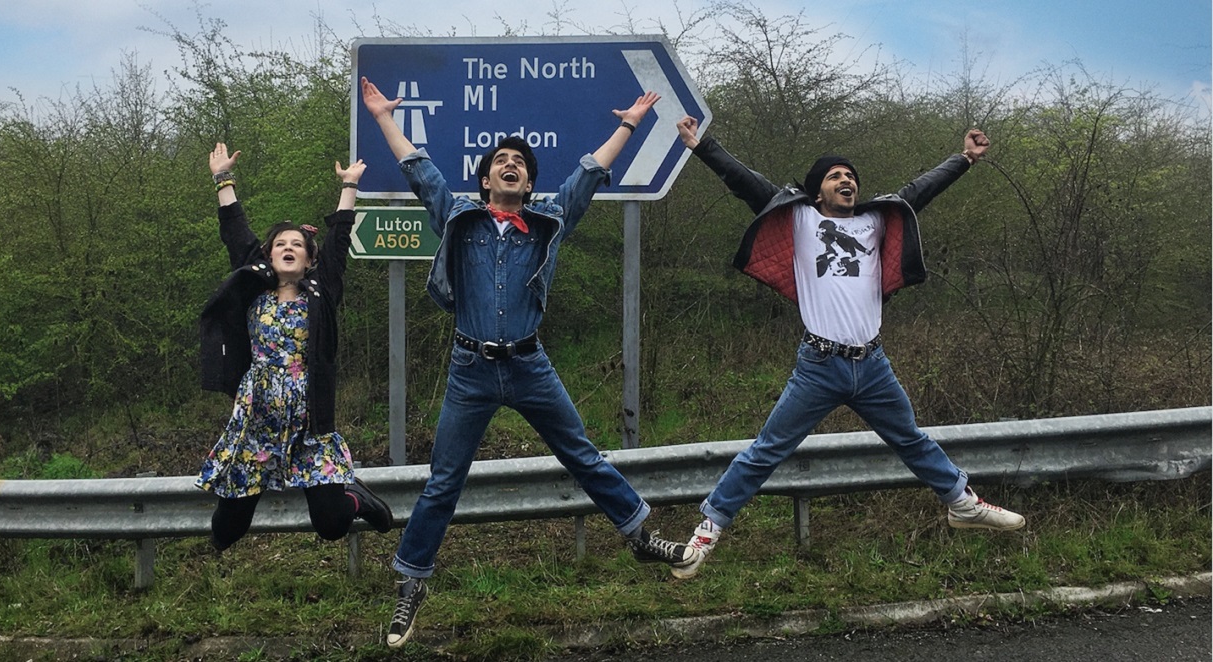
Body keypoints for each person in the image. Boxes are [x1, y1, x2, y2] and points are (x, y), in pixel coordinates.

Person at [361, 77, 699, 648]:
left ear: (529, 182)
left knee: (583, 455)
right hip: (470, 370)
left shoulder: (548, 221)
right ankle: (411, 584)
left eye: (519, 162)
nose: (511, 165)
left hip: (529, 365)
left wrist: (628, 124)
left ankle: (641, 536)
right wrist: (382, 117)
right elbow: (421, 171)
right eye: (501, 161)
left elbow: (588, 174)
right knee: (443, 482)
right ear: (485, 180)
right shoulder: (459, 218)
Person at [669, 117, 1026, 580]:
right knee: (766, 451)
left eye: (851, 175)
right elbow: (747, 183)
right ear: (817, 192)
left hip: (872, 365)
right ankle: (707, 532)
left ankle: (962, 504)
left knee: (911, 439)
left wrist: (964, 159)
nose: (847, 180)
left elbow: (919, 191)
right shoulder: (801, 218)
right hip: (819, 366)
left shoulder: (875, 221)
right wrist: (702, 146)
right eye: (835, 176)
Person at [195, 143, 393, 554]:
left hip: (309, 423)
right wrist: (222, 179)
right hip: (256, 422)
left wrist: (349, 186)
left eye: (298, 245)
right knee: (225, 531)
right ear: (268, 256)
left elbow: (339, 241)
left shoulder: (321, 293)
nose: (289, 248)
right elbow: (235, 232)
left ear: (308, 260)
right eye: (281, 244)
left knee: (332, 525)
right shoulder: (253, 288)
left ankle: (355, 496)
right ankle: (231, 519)